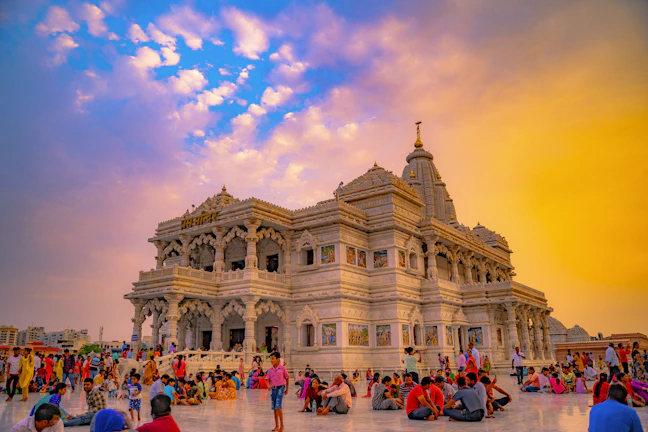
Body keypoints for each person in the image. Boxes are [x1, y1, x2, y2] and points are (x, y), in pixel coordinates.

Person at [266, 351, 289, 432]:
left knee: (278, 406)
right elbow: (267, 379)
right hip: (274, 389)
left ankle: (282, 425)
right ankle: (276, 426)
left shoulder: (282, 368)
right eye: (270, 359)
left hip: (281, 387)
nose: (271, 360)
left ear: (278, 359)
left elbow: (287, 377)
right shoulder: (270, 370)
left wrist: (287, 389)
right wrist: (268, 385)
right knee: (275, 408)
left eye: (273, 358)